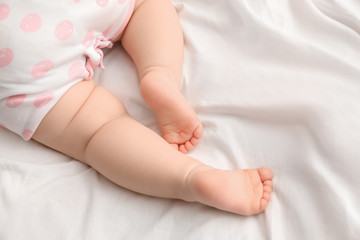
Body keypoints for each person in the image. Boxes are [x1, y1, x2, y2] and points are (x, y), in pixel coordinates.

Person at [0, 0, 273, 215]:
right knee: (144, 6)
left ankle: (191, 177)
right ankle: (159, 73)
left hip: (14, 54)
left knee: (96, 128)